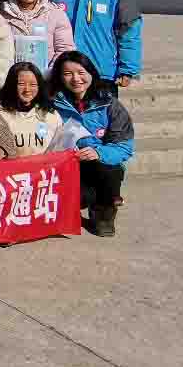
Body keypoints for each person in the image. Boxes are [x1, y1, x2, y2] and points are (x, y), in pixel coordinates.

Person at [51, 50, 135, 236]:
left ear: (91, 73)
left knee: (111, 169)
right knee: (78, 198)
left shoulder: (109, 104)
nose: (75, 79)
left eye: (81, 73)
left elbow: (124, 146)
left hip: (99, 165)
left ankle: (104, 214)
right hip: (67, 166)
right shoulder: (52, 104)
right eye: (68, 74)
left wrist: (99, 153)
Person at [0, 0, 75, 70]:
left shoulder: (55, 13)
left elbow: (65, 48)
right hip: (12, 74)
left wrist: (51, 73)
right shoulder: (2, 13)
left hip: (47, 75)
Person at [0, 62, 64, 159]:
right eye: (21, 84)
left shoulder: (51, 115)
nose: (27, 89)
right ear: (11, 85)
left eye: (33, 84)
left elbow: (62, 148)